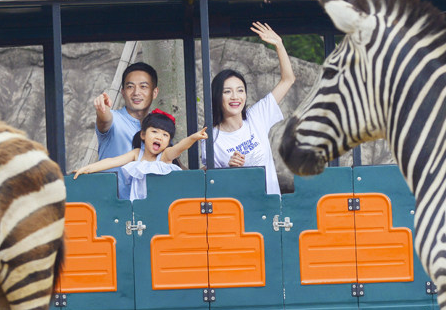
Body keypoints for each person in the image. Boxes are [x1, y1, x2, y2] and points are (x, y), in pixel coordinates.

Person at [202, 22, 295, 194]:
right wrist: (230, 169)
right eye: (227, 91)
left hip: (270, 206)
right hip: (237, 210)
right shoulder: (211, 138)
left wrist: (279, 45)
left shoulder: (257, 116)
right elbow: (212, 184)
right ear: (217, 96)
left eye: (240, 90)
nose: (235, 97)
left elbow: (288, 80)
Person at [74, 109, 207, 201]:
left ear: (168, 141)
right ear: (143, 134)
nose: (159, 137)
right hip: (138, 207)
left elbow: (179, 148)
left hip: (162, 206)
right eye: (154, 132)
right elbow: (112, 161)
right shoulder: (137, 154)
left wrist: (194, 138)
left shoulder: (165, 156)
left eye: (165, 135)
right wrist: (87, 168)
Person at [93, 62, 159, 197]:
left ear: (154, 92)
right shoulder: (115, 119)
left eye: (143, 86)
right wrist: (102, 109)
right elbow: (105, 119)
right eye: (130, 87)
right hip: (112, 206)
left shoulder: (159, 127)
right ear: (123, 92)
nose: (136, 93)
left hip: (147, 206)